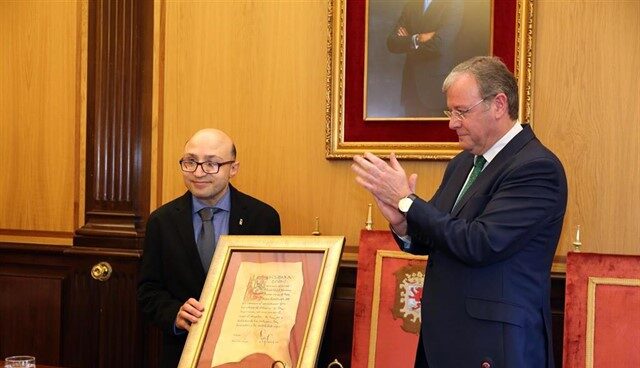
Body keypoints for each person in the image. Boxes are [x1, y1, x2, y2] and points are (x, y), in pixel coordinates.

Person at [351, 56, 567, 367]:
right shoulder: (464, 163)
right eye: (449, 112)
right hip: (444, 342)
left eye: (461, 112)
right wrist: (402, 221)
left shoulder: (536, 167)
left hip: (496, 347)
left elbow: (481, 243)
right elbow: (437, 234)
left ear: (498, 104)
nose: (452, 122)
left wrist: (408, 201)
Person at [137, 128, 281, 368]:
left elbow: (273, 292)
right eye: (190, 162)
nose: (198, 172)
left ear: (233, 168)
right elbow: (148, 291)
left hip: (247, 354)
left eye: (212, 164)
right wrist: (175, 313)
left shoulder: (263, 218)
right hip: (183, 352)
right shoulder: (161, 221)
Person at [387, 0, 463, 117]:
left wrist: (408, 40)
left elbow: (439, 44)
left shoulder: (453, 3)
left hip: (436, 89)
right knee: (409, 134)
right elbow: (392, 42)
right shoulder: (412, 4)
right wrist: (418, 38)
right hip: (411, 88)